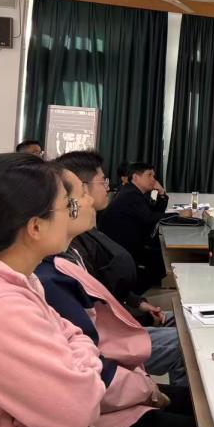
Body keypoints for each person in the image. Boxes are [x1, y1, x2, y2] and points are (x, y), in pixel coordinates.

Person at [0, 153, 214, 427]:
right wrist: (82, 358)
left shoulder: (21, 280)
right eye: (68, 205)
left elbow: (75, 335)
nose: (79, 207)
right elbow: (77, 406)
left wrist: (78, 355)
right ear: (35, 227)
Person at [35, 167, 197, 427]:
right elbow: (92, 358)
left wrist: (136, 303)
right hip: (107, 402)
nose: (90, 200)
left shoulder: (70, 251)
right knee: (187, 344)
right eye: (79, 196)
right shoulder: (49, 275)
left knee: (185, 326)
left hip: (117, 370)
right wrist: (147, 390)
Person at [56, 151, 186, 385]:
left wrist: (135, 302)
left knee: (186, 320)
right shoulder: (60, 259)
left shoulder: (82, 238)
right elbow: (90, 335)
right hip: (108, 338)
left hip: (117, 316)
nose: (107, 189)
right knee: (188, 344)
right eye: (102, 182)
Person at [98, 162, 177, 291]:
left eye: (154, 176)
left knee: (161, 253)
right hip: (123, 249)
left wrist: (161, 193)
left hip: (127, 243)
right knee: (161, 258)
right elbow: (150, 218)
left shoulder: (134, 192)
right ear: (135, 177)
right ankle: (133, 293)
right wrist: (178, 215)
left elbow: (153, 213)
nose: (153, 179)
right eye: (149, 175)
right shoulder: (131, 195)